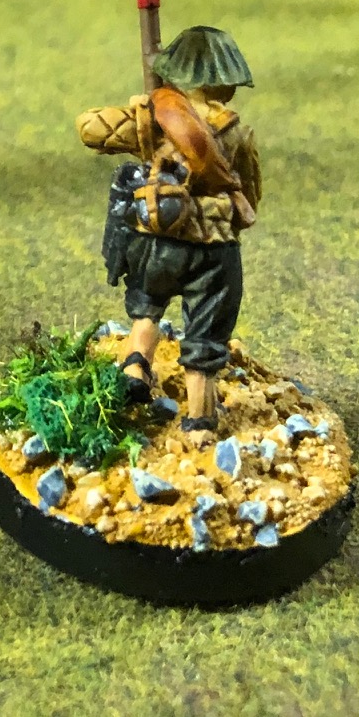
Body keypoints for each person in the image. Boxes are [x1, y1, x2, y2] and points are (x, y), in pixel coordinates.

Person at [76, 25, 261, 440]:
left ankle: (135, 366)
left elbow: (88, 128)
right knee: (205, 336)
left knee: (147, 307)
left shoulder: (154, 118)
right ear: (227, 83)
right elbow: (250, 194)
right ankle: (200, 420)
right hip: (214, 250)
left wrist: (141, 113)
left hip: (157, 240)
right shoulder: (239, 133)